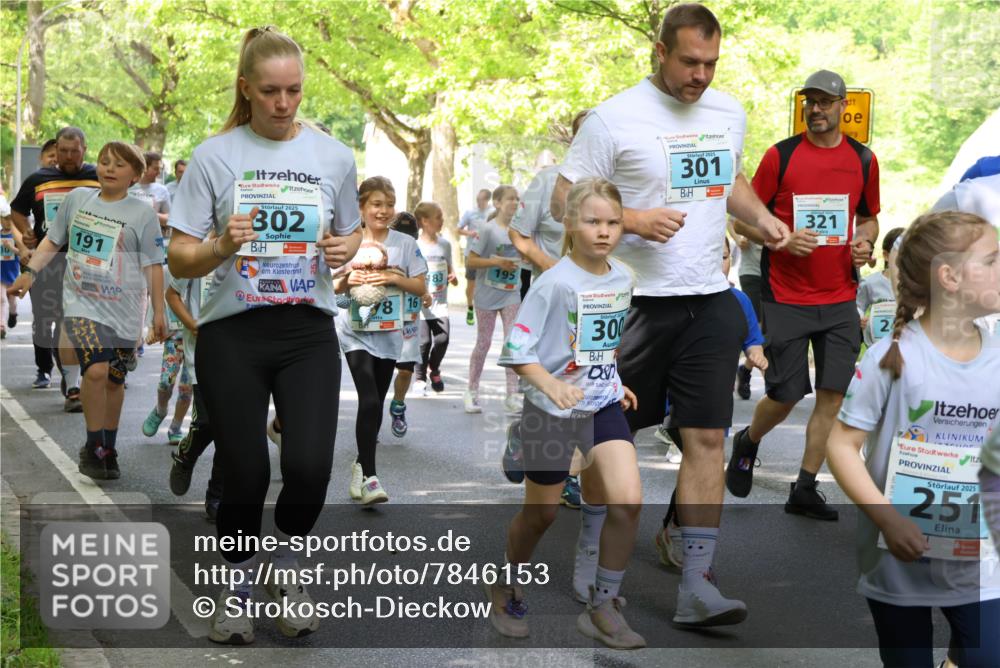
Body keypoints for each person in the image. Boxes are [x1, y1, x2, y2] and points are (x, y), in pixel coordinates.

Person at [551, 2, 788, 625]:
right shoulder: (613, 118)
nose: (701, 75)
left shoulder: (727, 111)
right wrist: (631, 219)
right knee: (613, 440)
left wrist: (760, 217)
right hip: (628, 303)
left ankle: (696, 586)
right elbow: (562, 202)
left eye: (711, 62)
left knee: (707, 437)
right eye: (689, 61)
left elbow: (727, 178)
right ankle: (594, 556)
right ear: (660, 52)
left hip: (709, 299)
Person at [166, 26, 363, 645]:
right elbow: (179, 259)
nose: (284, 104)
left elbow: (354, 234)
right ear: (245, 89)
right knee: (246, 472)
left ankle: (285, 571)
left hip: (307, 329)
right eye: (271, 91)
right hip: (233, 334)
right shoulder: (214, 156)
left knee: (309, 467)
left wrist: (344, 248)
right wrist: (222, 244)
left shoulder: (333, 156)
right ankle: (237, 584)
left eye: (295, 91)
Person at [827, 211, 1000, 668]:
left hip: (980, 556)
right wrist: (888, 519)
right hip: (898, 556)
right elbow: (842, 446)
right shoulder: (892, 357)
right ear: (950, 277)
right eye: (993, 259)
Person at [489, 178, 644, 649]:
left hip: (599, 407)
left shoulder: (623, 277)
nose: (604, 231)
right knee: (543, 516)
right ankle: (505, 583)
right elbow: (517, 348)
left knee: (629, 501)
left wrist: (615, 381)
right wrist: (551, 384)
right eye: (593, 221)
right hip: (551, 411)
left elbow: (602, 343)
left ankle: (603, 606)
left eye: (613, 222)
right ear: (571, 224)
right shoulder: (553, 282)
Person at [728, 69, 881, 522]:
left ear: (841, 106)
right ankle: (748, 441)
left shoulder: (864, 160)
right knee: (787, 391)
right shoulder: (781, 156)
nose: (815, 109)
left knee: (833, 394)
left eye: (824, 102)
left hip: (839, 297)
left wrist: (866, 242)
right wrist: (779, 239)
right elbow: (741, 221)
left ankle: (806, 486)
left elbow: (869, 217)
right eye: (809, 102)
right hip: (787, 295)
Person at [7, 142, 167, 479]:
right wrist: (30, 273)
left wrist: (158, 314)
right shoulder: (78, 199)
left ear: (134, 176)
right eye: (105, 161)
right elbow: (52, 241)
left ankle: (108, 445)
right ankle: (94, 445)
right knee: (95, 370)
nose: (109, 168)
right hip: (82, 302)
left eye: (119, 165)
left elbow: (154, 265)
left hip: (124, 308)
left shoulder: (143, 214)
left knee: (114, 379)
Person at [654, 236, 768, 570]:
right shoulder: (677, 296)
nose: (716, 262)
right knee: (700, 457)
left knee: (700, 458)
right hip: (672, 398)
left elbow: (753, 340)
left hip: (713, 400)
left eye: (721, 256)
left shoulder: (738, 299)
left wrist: (757, 355)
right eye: (708, 254)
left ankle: (673, 530)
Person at [334, 177, 426, 505]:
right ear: (361, 206)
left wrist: (394, 277)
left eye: (389, 204)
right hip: (354, 333)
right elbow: (329, 287)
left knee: (374, 406)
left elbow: (421, 287)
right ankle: (372, 478)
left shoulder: (404, 243)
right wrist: (348, 279)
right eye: (376, 204)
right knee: (370, 401)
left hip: (389, 334)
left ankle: (361, 465)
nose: (383, 211)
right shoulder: (348, 241)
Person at [9, 126, 98, 408]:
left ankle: (89, 372)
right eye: (63, 151)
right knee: (59, 319)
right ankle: (72, 384)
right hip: (51, 260)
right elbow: (16, 212)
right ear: (56, 151)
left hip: (95, 262)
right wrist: (27, 233)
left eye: (74, 151)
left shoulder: (99, 176)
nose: (69, 157)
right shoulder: (38, 179)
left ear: (84, 149)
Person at [165, 262, 224, 522]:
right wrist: (193, 325)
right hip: (202, 352)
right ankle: (186, 455)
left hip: (243, 353)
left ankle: (217, 496)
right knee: (207, 422)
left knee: (231, 428)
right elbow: (172, 294)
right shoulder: (195, 251)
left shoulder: (250, 248)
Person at [466, 185, 523, 415]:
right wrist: (497, 262)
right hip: (487, 294)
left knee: (512, 343)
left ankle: (512, 395)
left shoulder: (520, 230)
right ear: (497, 203)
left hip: (511, 292)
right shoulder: (487, 229)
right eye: (510, 199)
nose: (514, 202)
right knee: (484, 342)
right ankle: (471, 392)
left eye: (517, 199)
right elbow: (471, 261)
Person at [386, 210, 432, 437]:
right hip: (384, 321)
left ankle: (398, 406)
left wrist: (426, 295)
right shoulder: (381, 251)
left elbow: (422, 283)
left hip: (409, 322)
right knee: (380, 372)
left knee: (405, 371)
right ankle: (371, 414)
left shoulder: (416, 253)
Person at [141, 268, 193, 445]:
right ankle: (160, 410)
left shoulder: (208, 269)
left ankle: (176, 427)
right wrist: (151, 327)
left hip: (197, 340)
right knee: (165, 382)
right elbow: (156, 297)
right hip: (174, 338)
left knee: (187, 388)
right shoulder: (167, 270)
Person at [413, 201, 458, 393]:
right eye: (438, 217)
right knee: (423, 343)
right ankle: (420, 379)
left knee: (443, 339)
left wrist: (453, 277)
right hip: (420, 305)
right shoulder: (415, 246)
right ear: (424, 221)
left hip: (440, 304)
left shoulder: (445, 245)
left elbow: (450, 269)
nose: (442, 220)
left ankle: (434, 367)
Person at [857, 227, 905, 348]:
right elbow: (858, 306)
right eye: (900, 253)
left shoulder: (919, 284)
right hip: (876, 347)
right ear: (886, 255)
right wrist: (860, 318)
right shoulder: (870, 283)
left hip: (909, 347)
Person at [458, 188, 493, 326]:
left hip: (487, 255)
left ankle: (484, 310)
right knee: (471, 284)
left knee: (485, 284)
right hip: (471, 253)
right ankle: (470, 307)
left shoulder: (492, 213)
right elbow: (458, 229)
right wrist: (470, 233)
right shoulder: (470, 213)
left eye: (481, 200)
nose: (479, 202)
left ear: (487, 200)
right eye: (477, 199)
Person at [1, 187, 27, 338]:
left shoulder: (16, 236)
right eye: (4, 219)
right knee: (1, 299)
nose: (6, 222)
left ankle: (13, 314)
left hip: (12, 272)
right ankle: (2, 326)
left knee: (12, 301)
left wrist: (12, 247)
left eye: (9, 219)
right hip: (0, 272)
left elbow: (22, 253)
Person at [130, 152, 171, 231]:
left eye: (160, 169)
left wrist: (150, 214)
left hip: (149, 236)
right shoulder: (128, 185)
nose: (159, 172)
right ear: (144, 168)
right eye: (156, 169)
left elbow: (169, 219)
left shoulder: (162, 190)